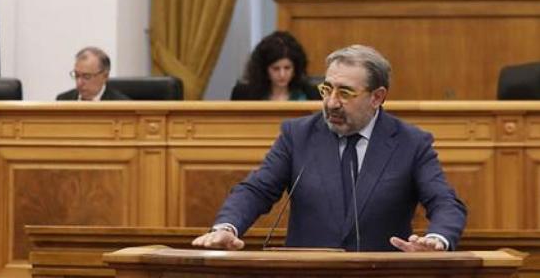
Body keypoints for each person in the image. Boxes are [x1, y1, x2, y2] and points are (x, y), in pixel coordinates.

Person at [193, 44, 466, 252]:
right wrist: (228, 226)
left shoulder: (411, 142)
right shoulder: (298, 135)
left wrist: (436, 239)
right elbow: (256, 190)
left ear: (377, 97)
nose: (331, 102)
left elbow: (445, 202)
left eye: (345, 93)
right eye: (326, 89)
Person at [230, 31, 321, 101]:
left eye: (287, 68)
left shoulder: (312, 94)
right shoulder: (243, 94)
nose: (282, 74)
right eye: (276, 69)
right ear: (264, 69)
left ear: (296, 68)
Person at [56, 46, 130, 101]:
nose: (79, 82)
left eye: (86, 76)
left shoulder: (121, 105)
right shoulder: (63, 100)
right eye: (76, 75)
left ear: (105, 76)